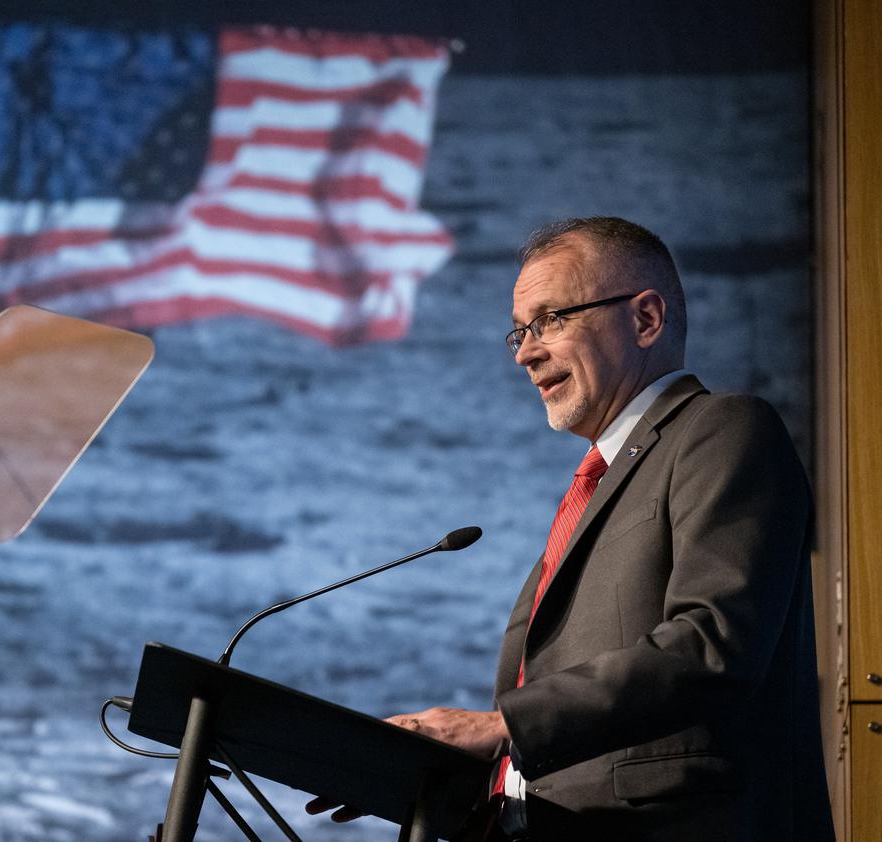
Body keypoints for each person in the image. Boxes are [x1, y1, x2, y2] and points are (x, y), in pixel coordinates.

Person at [308, 217, 834, 841]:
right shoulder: (596, 487)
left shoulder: (722, 431)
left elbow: (712, 644)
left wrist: (501, 726)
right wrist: (425, 771)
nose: (528, 351)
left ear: (645, 320)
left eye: (552, 319)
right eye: (520, 331)